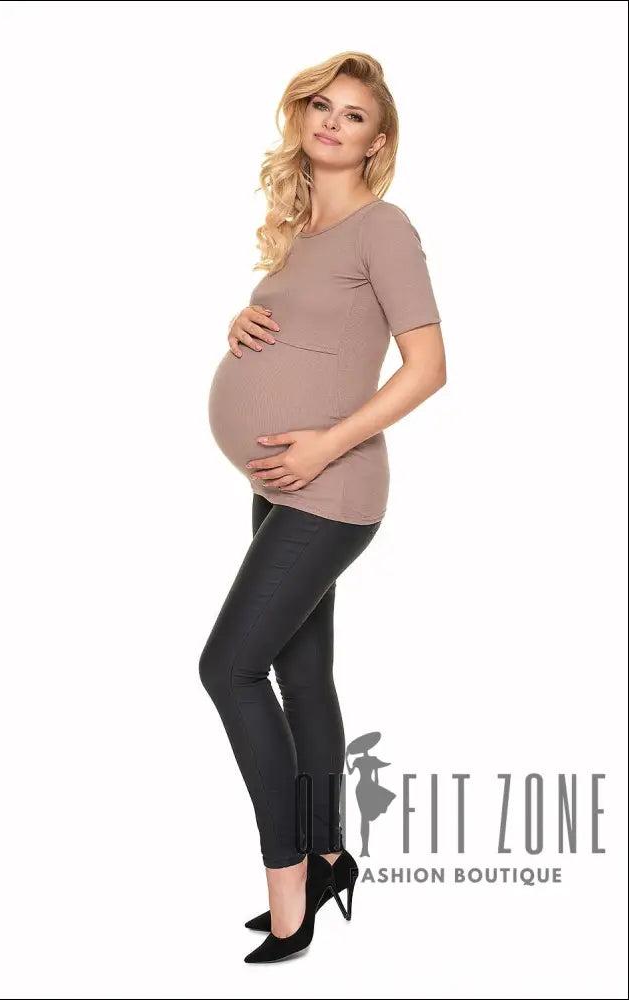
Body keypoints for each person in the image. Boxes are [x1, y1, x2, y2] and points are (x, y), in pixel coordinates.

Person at [200, 50, 446, 964]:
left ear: (377, 141)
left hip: (329, 490)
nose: (332, 123)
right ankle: (332, 853)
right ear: (302, 117)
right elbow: (305, 331)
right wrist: (241, 323)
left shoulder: (385, 228)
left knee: (227, 669)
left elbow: (428, 367)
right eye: (322, 107)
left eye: (353, 115)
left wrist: (324, 443)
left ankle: (289, 890)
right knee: (300, 677)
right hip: (278, 485)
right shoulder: (303, 228)